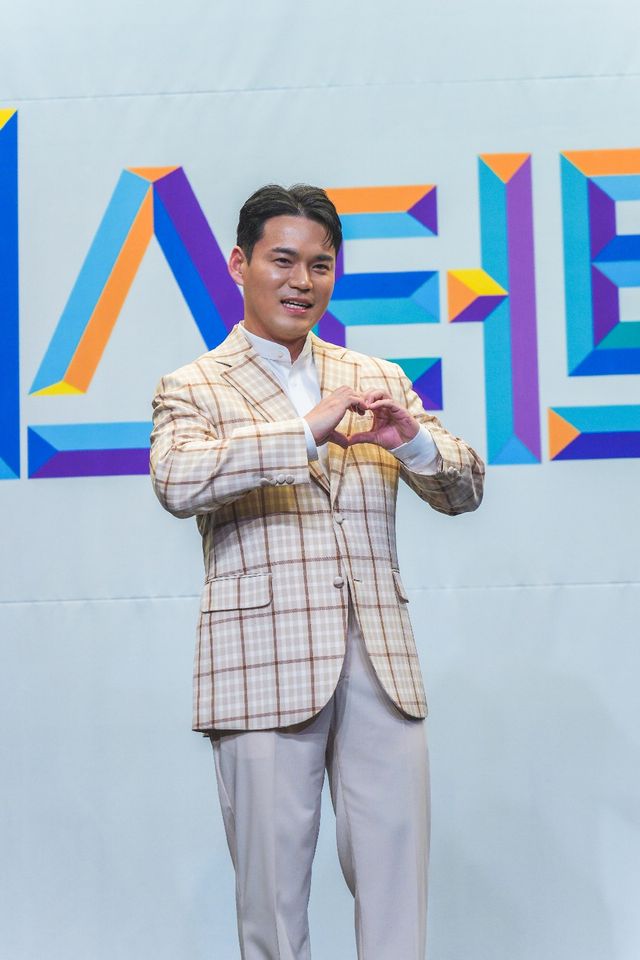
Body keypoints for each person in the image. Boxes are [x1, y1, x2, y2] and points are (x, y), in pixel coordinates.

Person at [150, 183, 484, 960]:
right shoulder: (192, 385)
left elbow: (464, 487)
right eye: (283, 261)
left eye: (321, 265)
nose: (303, 281)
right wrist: (304, 431)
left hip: (380, 664)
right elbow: (177, 480)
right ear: (239, 264)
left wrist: (411, 442)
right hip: (260, 666)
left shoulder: (376, 376)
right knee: (271, 905)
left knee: (398, 891)